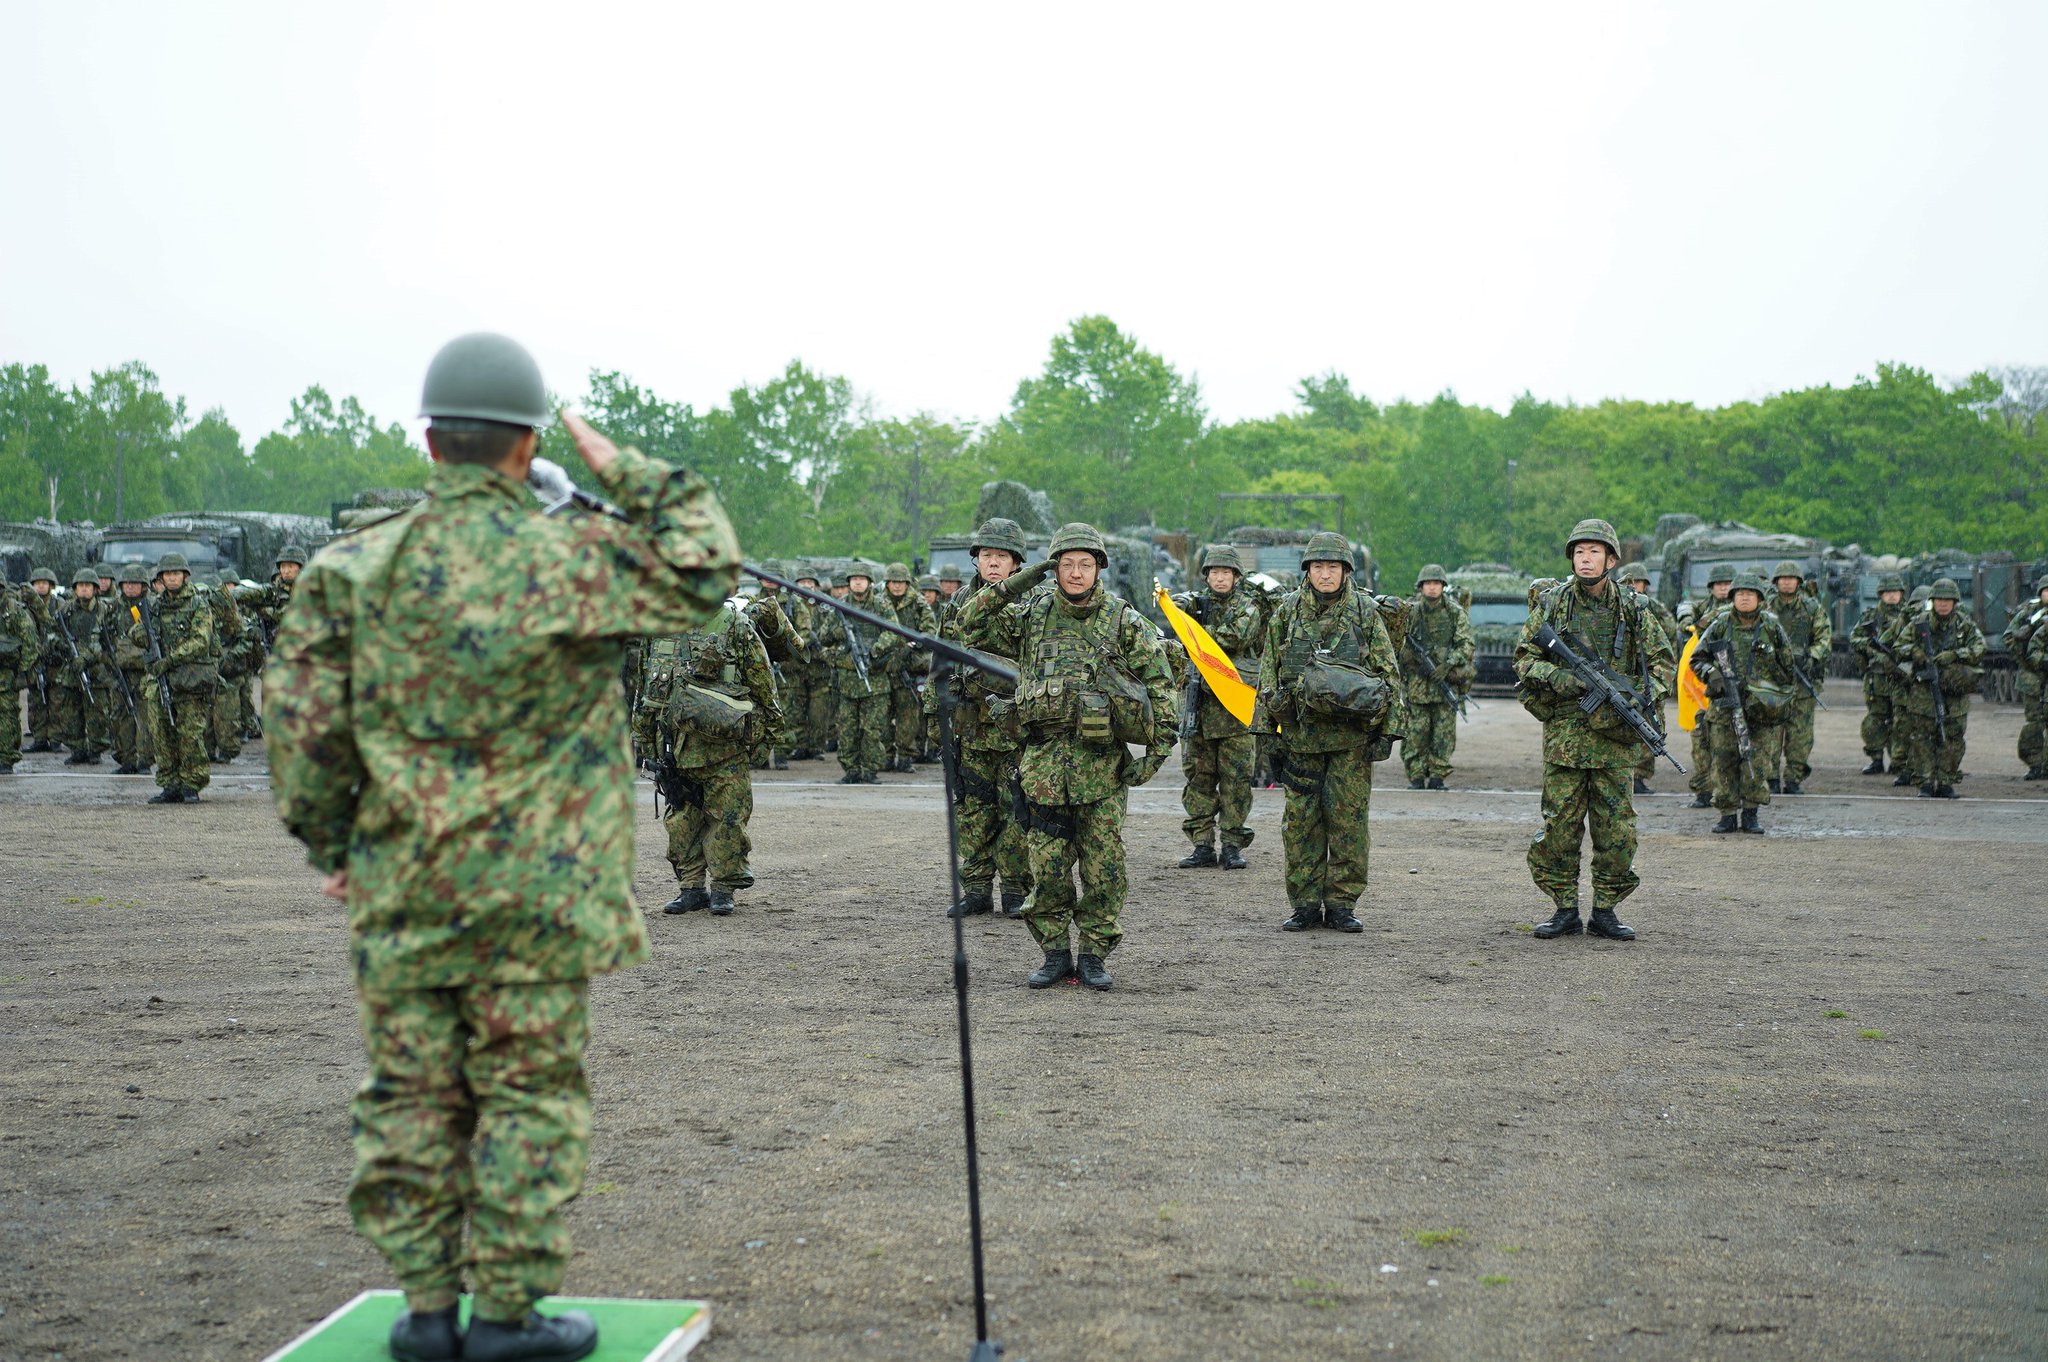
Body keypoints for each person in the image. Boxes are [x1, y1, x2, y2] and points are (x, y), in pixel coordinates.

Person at [263, 333, 739, 1362]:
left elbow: (300, 734)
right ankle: (511, 1315)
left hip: (404, 888)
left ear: (431, 443)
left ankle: (428, 1313)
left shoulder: (352, 569)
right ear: (527, 450)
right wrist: (620, 469)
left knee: (410, 1095)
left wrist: (335, 843)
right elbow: (707, 569)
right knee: (526, 1095)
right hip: (539, 897)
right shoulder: (574, 558)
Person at [955, 522, 1176, 989]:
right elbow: (969, 622)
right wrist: (1026, 577)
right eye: (1066, 564)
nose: (1076, 573)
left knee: (1103, 868)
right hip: (1042, 767)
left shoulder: (1124, 620)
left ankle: (1094, 954)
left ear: (1099, 569)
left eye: (1086, 564)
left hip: (1101, 767)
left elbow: (1160, 684)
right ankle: (1055, 952)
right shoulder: (1031, 615)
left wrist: (1154, 755)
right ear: (1054, 568)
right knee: (1047, 868)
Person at [1514, 520, 1674, 939]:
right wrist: (1563, 679)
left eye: (1594, 552)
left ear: (1612, 559)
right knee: (1560, 828)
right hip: (1566, 739)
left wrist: (1638, 697)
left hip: (1615, 741)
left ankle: (1605, 909)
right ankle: (1564, 907)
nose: (1586, 559)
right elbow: (1525, 659)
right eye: (1579, 552)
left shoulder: (1635, 608)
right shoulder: (1552, 605)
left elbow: (1663, 665)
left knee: (1617, 830)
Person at [1256, 531, 1403, 933]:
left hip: (1350, 743)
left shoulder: (1365, 614)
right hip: (1301, 740)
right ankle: (1304, 903)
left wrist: (1388, 732)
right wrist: (1265, 732)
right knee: (1301, 824)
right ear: (1307, 570)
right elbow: (1268, 672)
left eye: (1332, 567)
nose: (1325, 574)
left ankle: (1341, 903)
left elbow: (1389, 673)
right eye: (1318, 566)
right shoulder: (1286, 614)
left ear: (1345, 571)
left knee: (1349, 823)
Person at [638, 601, 780, 915]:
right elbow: (644, 691)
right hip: (674, 747)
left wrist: (764, 738)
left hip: (724, 747)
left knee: (728, 820)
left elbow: (763, 686)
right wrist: (644, 740)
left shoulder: (736, 626)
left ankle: (722, 889)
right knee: (682, 821)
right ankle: (691, 888)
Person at [940, 517, 1036, 919]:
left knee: (1017, 810)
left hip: (1015, 728)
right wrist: (937, 719)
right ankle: (976, 889)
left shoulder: (1034, 602)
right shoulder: (959, 601)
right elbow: (940, 661)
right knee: (973, 811)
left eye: (1001, 556)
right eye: (986, 555)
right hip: (970, 725)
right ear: (975, 560)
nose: (993, 563)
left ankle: (1015, 890)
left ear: (1016, 563)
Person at [1174, 545, 1263, 868]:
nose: (1220, 578)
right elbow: (1175, 612)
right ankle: (1201, 844)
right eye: (1214, 573)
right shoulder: (1197, 603)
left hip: (1234, 710)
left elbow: (1233, 637)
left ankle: (1232, 844)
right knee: (1198, 778)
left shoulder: (1248, 608)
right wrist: (1177, 607)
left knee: (1236, 780)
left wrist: (1194, 631)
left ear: (1236, 577)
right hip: (1200, 709)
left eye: (1226, 573)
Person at [1690, 574, 1796, 833]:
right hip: (1725, 705)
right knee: (1724, 759)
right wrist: (1713, 675)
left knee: (1756, 762)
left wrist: (1770, 693)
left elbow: (1788, 667)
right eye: (1739, 593)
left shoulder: (1771, 626)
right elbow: (1697, 658)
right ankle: (1727, 813)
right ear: (1733, 598)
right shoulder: (1720, 624)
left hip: (1759, 708)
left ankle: (1751, 813)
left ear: (1760, 598)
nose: (1745, 597)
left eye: (1750, 593)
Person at [1884, 577, 1984, 799]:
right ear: (1932, 601)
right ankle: (1925, 782)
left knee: (1953, 737)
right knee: (1922, 737)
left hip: (1954, 691)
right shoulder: (1919, 623)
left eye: (1948, 600)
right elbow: (1898, 646)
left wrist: (1956, 655)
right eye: (1939, 599)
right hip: (1924, 690)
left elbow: (1979, 648)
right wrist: (1916, 652)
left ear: (1955, 602)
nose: (1943, 604)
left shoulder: (1964, 625)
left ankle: (1946, 781)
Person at [129, 554, 217, 803]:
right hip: (161, 680)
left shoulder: (198, 604)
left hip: (190, 679)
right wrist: (142, 634)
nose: (172, 578)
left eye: (176, 573)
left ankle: (192, 783)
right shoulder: (153, 606)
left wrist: (169, 660)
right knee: (162, 732)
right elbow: (137, 633)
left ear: (185, 576)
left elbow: (201, 641)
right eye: (167, 574)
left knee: (190, 733)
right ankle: (170, 783)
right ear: (161, 578)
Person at [814, 561, 901, 784]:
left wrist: (875, 650)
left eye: (862, 579)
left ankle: (870, 770)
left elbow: (894, 632)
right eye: (854, 579)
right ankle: (851, 770)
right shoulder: (840, 606)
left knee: (873, 730)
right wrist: (841, 637)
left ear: (870, 582)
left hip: (875, 680)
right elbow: (823, 638)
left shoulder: (881, 605)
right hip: (847, 682)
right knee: (847, 730)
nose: (858, 582)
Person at [1398, 563, 1475, 791]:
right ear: (1421, 587)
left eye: (1436, 583)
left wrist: (1447, 664)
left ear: (1443, 586)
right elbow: (1398, 643)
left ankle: (1437, 776)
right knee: (1416, 734)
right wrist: (1413, 661)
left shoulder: (1454, 613)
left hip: (1445, 685)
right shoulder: (1410, 612)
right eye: (1428, 583)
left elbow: (1466, 644)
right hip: (1417, 686)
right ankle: (1416, 776)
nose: (1432, 588)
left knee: (1443, 735)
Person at [1759, 561, 1831, 794]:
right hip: (1772, 682)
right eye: (1783, 578)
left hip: (1802, 683)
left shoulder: (1812, 608)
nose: (1787, 582)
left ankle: (1793, 778)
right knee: (1771, 732)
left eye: (1792, 578)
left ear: (1799, 582)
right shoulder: (1766, 608)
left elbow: (1823, 638)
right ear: (1776, 582)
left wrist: (1810, 656)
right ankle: (1769, 778)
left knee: (1800, 734)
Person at [48, 569, 113, 765]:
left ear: (95, 589)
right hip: (71, 669)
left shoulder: (104, 610)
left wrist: (87, 657)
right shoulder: (65, 610)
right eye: (80, 586)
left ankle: (95, 750)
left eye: (88, 586)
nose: (84, 589)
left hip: (96, 669)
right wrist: (61, 646)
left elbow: (107, 641)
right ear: (75, 589)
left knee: (97, 711)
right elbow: (51, 633)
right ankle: (77, 749)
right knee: (70, 711)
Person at [880, 561, 938, 772]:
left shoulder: (919, 603)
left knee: (908, 715)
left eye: (901, 582)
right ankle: (885, 756)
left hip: (909, 664)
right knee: (882, 715)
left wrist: (913, 644)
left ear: (907, 583)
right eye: (893, 582)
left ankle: (905, 756)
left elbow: (929, 630)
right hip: (884, 664)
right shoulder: (879, 602)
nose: (896, 586)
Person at [1851, 574, 1909, 777]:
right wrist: (1873, 650)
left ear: (1901, 594)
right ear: (1880, 595)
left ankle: (1898, 760)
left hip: (1900, 676)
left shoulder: (1908, 616)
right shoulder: (1871, 616)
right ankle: (1876, 759)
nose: (1892, 596)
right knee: (1875, 720)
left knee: (1900, 719)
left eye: (1895, 592)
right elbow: (1855, 638)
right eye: (1887, 592)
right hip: (1877, 678)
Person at [105, 565, 156, 774]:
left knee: (145, 717)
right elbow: (104, 637)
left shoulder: (151, 607)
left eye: (135, 583)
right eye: (127, 584)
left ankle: (144, 760)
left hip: (145, 672)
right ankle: (127, 759)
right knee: (121, 717)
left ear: (144, 586)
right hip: (121, 671)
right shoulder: (113, 609)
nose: (131, 587)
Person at [2003, 574, 2048, 780]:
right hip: (2033, 675)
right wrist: (2024, 657)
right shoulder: (2029, 612)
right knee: (2035, 721)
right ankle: (2036, 764)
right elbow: (2009, 637)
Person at [0, 579, 41, 772]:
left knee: (7, 715)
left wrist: (22, 672)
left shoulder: (14, 611)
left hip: (7, 672)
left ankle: (6, 757)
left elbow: (30, 643)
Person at [22, 567, 60, 752]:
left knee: (56, 700)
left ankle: (55, 738)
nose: (41, 586)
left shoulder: (59, 605)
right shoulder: (25, 606)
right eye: (37, 583)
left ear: (51, 586)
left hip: (54, 659)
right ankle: (39, 738)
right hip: (34, 658)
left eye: (44, 583)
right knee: (36, 700)